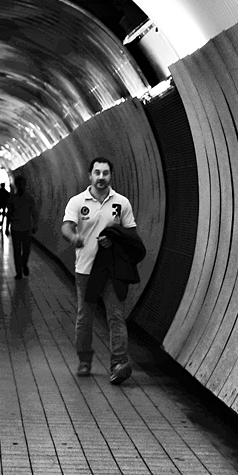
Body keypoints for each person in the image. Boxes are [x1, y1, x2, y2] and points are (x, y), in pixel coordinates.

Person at [60, 156, 140, 384]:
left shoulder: (121, 203)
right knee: (85, 317)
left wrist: (116, 239)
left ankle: (119, 364)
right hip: (86, 270)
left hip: (112, 270)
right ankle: (84, 359)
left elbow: (132, 235)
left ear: (110, 175)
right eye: (97, 173)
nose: (101, 177)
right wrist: (74, 237)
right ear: (90, 175)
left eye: (105, 173)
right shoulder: (77, 202)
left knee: (115, 316)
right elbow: (67, 225)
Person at [8, 179, 38, 278]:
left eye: (22, 184)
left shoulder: (29, 199)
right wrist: (7, 227)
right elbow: (9, 213)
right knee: (17, 251)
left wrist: (35, 224)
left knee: (26, 250)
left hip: (26, 228)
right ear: (16, 185)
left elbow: (34, 212)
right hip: (15, 228)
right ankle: (19, 272)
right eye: (19, 184)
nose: (21, 186)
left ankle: (24, 263)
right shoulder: (12, 199)